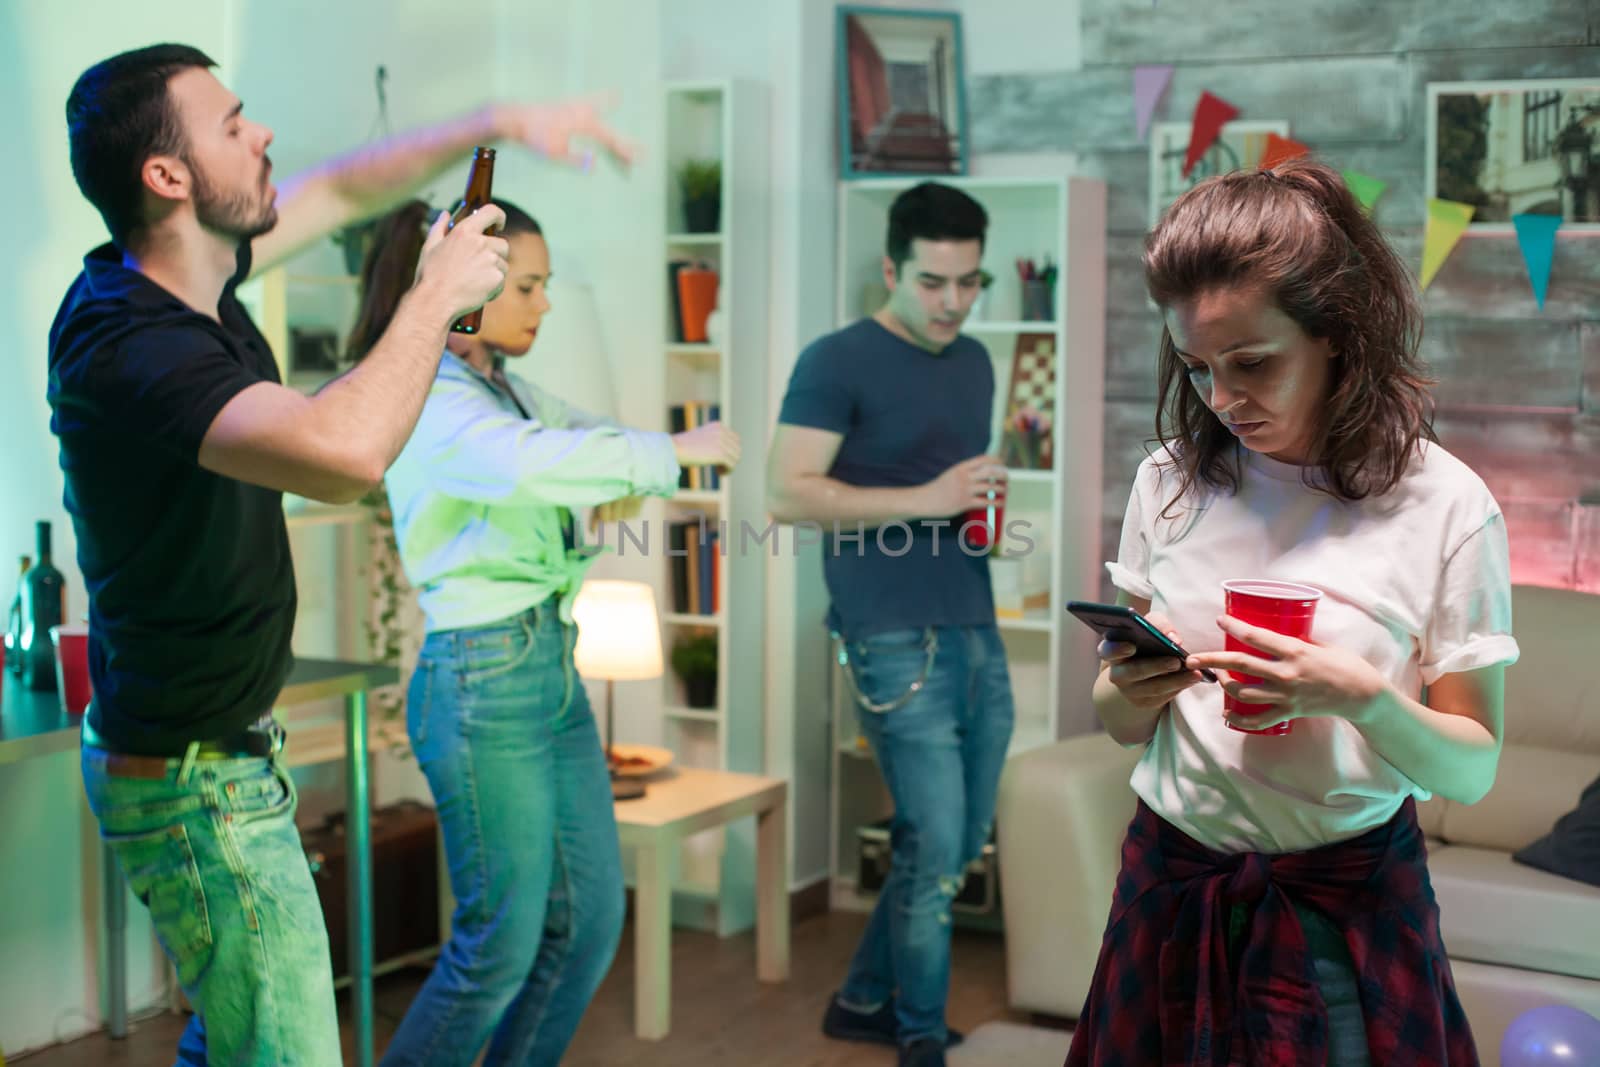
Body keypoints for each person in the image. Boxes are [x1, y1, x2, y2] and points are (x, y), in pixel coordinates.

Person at [48, 42, 631, 1066]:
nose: (261, 131)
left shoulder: (196, 286)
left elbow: (349, 185)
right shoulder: (129, 342)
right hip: (194, 784)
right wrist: (432, 293)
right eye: (231, 124)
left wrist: (487, 118)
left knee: (242, 1039)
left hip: (220, 759)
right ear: (166, 175)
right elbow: (340, 452)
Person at [1066, 158, 1518, 1066]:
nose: (1222, 400)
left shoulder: (1444, 501)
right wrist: (1136, 686)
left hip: (1341, 905)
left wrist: (1363, 698)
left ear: (1337, 335)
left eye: (1253, 363)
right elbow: (1116, 722)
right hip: (1170, 882)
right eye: (1195, 368)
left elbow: (1471, 773)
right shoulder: (1169, 479)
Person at [348, 196, 740, 1066]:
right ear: (456, 281)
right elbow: (526, 461)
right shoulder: (426, 396)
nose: (543, 302)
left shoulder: (503, 384)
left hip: (545, 668)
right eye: (524, 283)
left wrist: (645, 450)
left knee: (591, 923)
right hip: (484, 678)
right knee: (497, 947)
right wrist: (676, 451)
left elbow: (582, 436)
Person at [767, 181, 1014, 1067]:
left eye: (969, 282)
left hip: (974, 622)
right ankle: (918, 1036)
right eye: (933, 282)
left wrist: (976, 500)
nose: (953, 302)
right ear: (890, 268)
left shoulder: (978, 362)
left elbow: (951, 489)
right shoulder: (836, 360)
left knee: (948, 840)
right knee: (938, 841)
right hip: (889, 633)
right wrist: (930, 497)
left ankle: (865, 998)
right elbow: (786, 492)